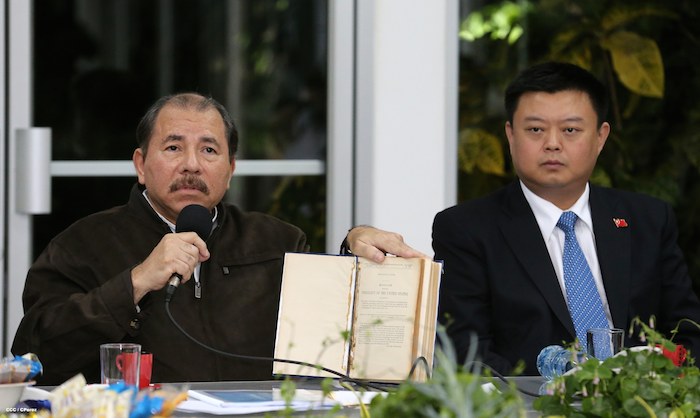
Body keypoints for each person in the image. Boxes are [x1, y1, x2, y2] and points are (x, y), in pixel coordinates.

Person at [11, 92, 422, 385]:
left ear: (230, 169)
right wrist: (134, 283)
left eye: (209, 151)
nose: (191, 165)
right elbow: (35, 357)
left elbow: (332, 343)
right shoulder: (82, 244)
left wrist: (354, 252)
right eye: (173, 148)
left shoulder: (277, 240)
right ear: (141, 164)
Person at [433, 62, 700, 376]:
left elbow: (689, 333)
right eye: (535, 130)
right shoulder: (466, 229)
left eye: (570, 130)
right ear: (510, 135)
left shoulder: (648, 220)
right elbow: (467, 353)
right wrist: (558, 394)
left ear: (600, 137)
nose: (552, 143)